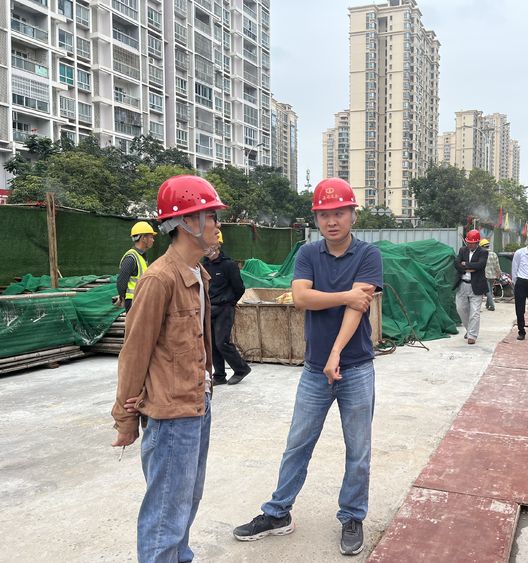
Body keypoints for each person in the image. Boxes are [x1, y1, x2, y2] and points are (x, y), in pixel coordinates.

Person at [233, 177, 383, 557]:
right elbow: (300, 298)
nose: (332, 221)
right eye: (324, 214)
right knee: (297, 443)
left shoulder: (368, 255)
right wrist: (346, 294)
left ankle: (352, 516)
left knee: (358, 448)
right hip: (315, 371)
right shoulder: (308, 254)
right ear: (316, 218)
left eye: (339, 213)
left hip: (355, 368)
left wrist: (335, 353)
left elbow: (356, 310)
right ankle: (278, 513)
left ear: (352, 215)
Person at [111, 175, 225, 562]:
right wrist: (125, 420)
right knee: (165, 514)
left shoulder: (199, 275)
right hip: (171, 415)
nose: (217, 225)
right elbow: (134, 353)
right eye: (212, 217)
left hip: (197, 404)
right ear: (188, 222)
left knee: (186, 501)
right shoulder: (159, 279)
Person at [203, 230, 252, 386]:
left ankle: (241, 369)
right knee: (212, 344)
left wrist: (230, 302)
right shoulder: (204, 265)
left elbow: (239, 288)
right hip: (209, 309)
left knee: (222, 342)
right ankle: (219, 375)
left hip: (224, 308)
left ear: (218, 244)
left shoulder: (228, 265)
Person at [453, 229, 488, 345]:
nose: (470, 245)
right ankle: (469, 330)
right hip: (462, 284)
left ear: (477, 242)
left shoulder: (483, 252)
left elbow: (480, 265)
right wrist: (468, 268)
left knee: (475, 312)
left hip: (476, 286)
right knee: (460, 309)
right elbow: (456, 263)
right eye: (468, 242)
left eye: (472, 243)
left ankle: (472, 335)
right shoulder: (462, 250)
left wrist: (465, 264)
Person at [117, 221, 157, 312]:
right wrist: (122, 298)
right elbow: (121, 282)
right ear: (143, 238)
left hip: (140, 299)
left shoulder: (141, 256)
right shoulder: (131, 258)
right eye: (151, 237)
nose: (153, 240)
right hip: (134, 301)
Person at [480, 238, 500, 311]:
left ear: (482, 246)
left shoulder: (482, 254)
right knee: (490, 290)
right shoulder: (494, 254)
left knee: (487, 291)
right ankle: (487, 304)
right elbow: (497, 265)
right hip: (493, 275)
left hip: (485, 275)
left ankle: (492, 306)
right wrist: (499, 273)